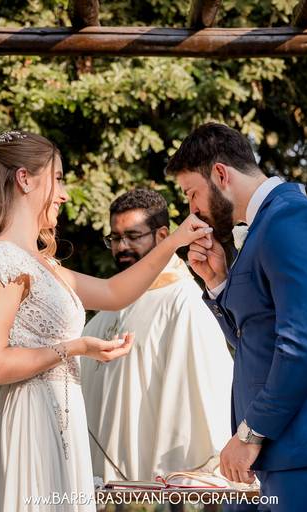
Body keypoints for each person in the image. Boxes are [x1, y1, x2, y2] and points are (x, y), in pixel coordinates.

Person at [0, 130, 212, 511]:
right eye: (57, 178)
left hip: (62, 427)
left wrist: (175, 241)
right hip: (29, 428)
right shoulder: (2, 259)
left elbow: (115, 292)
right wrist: (75, 348)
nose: (64, 194)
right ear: (24, 180)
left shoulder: (45, 265)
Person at [165, 123, 307, 511]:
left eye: (192, 193)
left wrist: (251, 432)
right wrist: (217, 283)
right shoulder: (264, 228)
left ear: (220, 174)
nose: (193, 210)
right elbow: (255, 341)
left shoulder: (295, 220)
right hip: (277, 455)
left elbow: (306, 345)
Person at [81, 188, 233, 482]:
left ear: (163, 236)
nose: (122, 247)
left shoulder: (184, 302)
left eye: (133, 236)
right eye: (115, 238)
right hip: (102, 486)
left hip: (162, 485)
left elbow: (205, 401)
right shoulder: (104, 313)